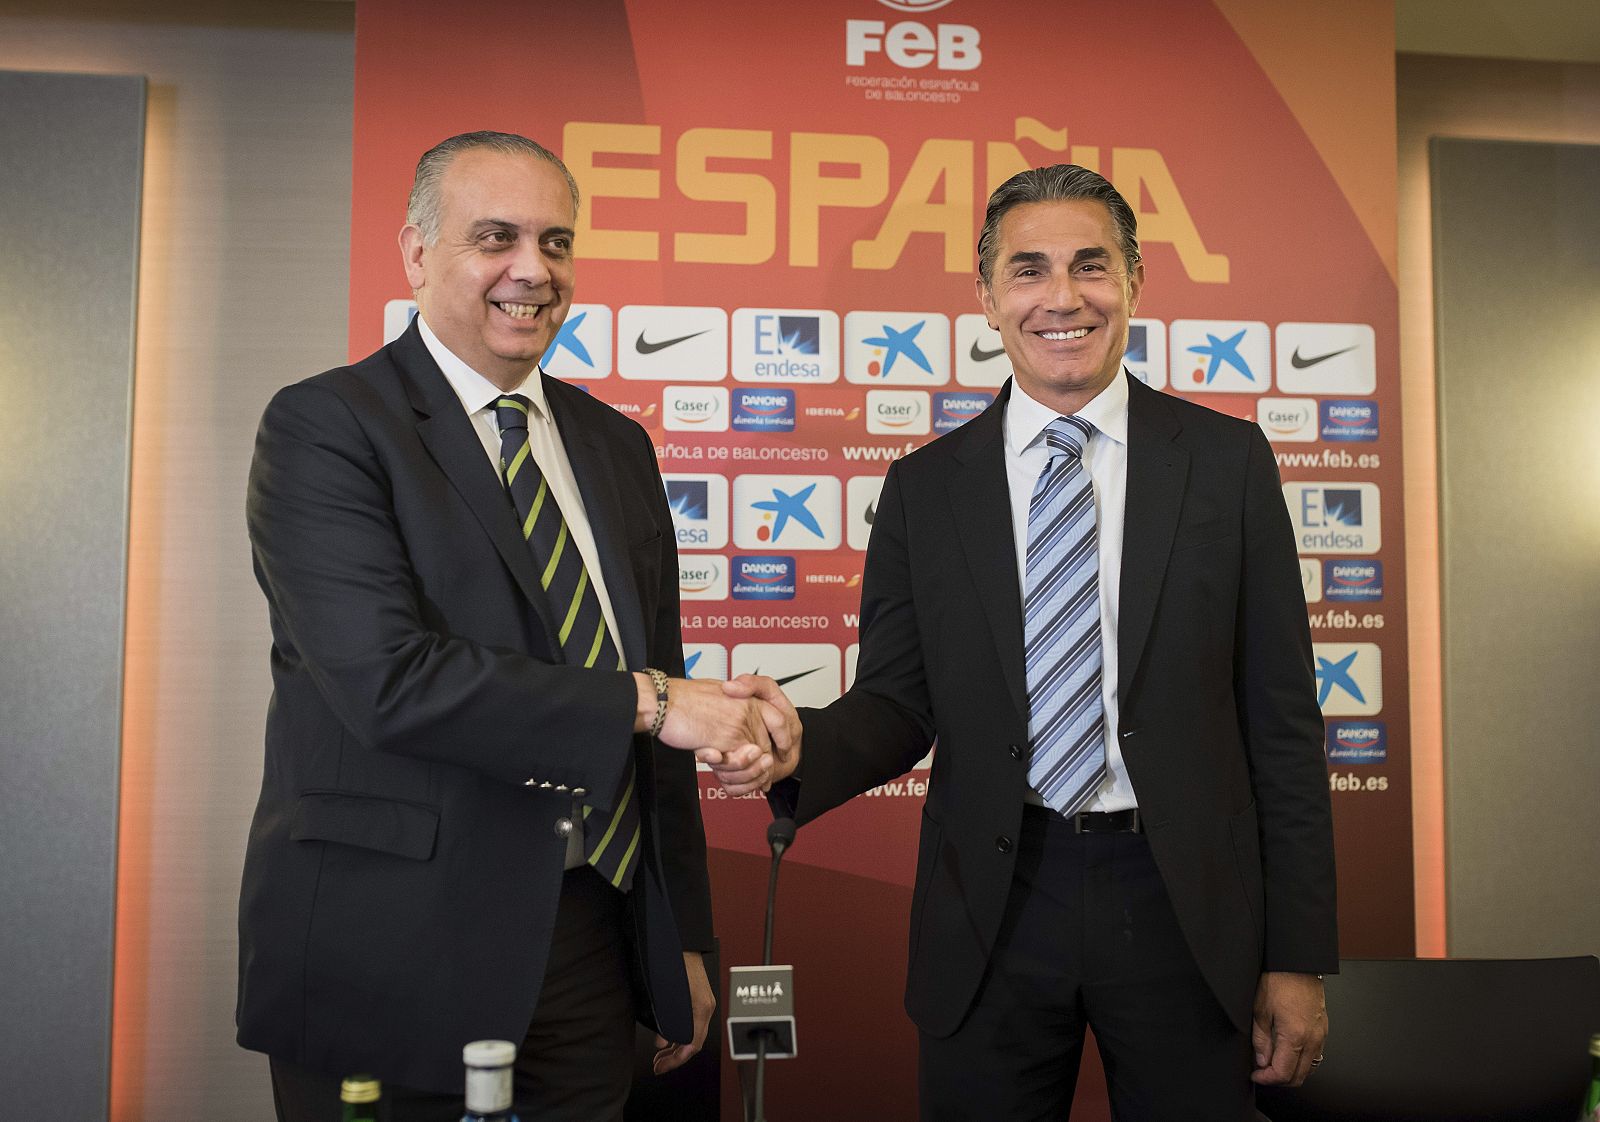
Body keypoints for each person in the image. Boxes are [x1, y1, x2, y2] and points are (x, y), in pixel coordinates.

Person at [710, 165, 1337, 1119]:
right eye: (1029, 269)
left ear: (1133, 279)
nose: (1061, 297)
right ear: (989, 298)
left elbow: (1283, 725)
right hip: (993, 901)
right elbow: (898, 701)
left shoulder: (1226, 463)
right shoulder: (925, 489)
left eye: (1091, 265)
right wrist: (805, 744)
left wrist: (1296, 955)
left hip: (1186, 907)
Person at [237, 131, 776, 1122]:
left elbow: (654, 723)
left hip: (590, 939)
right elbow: (385, 680)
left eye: (556, 241)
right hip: (392, 945)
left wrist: (682, 943)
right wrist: (656, 702)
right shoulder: (325, 427)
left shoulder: (615, 445)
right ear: (415, 254)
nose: (532, 270)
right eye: (495, 238)